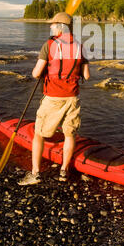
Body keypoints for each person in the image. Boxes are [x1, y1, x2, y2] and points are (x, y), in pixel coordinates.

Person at [18, 12, 90, 185]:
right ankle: (64, 171)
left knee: (39, 134)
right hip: (72, 97)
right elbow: (86, 76)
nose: (50, 26)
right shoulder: (80, 47)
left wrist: (45, 72)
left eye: (52, 24)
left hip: (53, 98)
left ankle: (35, 173)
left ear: (60, 27)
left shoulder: (49, 45)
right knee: (69, 134)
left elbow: (36, 73)